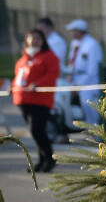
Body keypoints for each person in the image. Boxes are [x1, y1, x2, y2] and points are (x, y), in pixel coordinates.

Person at [12, 29, 60, 172]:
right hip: (23, 99)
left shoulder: (49, 56)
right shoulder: (23, 59)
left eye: (37, 38)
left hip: (40, 100)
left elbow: (53, 74)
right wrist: (12, 87)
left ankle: (50, 159)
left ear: (43, 40)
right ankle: (42, 161)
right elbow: (19, 78)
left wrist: (38, 84)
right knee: (36, 132)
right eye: (30, 38)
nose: (34, 41)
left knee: (36, 130)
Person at [65, 19, 103, 125]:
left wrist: (78, 85)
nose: (72, 33)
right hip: (74, 80)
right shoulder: (75, 44)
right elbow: (72, 63)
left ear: (80, 31)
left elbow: (92, 70)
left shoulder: (92, 44)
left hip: (88, 84)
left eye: (74, 30)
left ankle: (95, 135)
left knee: (88, 106)